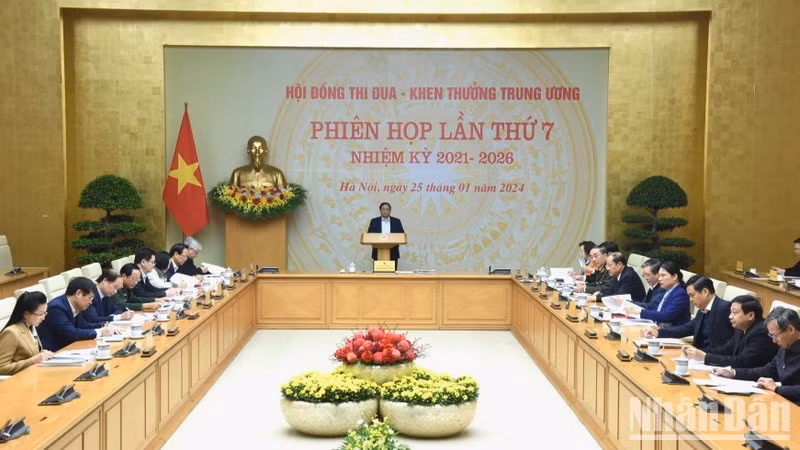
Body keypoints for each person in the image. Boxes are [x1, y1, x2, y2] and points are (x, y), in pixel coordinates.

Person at [714, 307, 800, 405]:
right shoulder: (784, 348)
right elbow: (768, 371)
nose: (774, 341)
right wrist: (734, 373)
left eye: (775, 336)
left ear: (791, 329)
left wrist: (777, 389)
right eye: (771, 336)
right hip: (785, 402)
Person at [683, 295, 778, 368]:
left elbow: (742, 362)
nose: (730, 316)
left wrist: (705, 357)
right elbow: (725, 350)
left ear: (751, 315)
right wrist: (697, 352)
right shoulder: (739, 328)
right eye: (731, 312)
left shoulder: (761, 332)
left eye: (735, 313)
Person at [642, 275, 733, 350]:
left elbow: (723, 346)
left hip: (712, 362)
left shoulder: (724, 309)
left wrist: (703, 356)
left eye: (692, 295)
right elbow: (686, 328)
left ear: (705, 292)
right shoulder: (703, 309)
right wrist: (658, 333)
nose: (690, 300)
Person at [36, 277, 114, 351]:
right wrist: (100, 332)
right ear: (78, 293)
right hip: (55, 353)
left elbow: (83, 325)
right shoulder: (56, 308)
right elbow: (71, 333)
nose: (90, 302)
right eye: (90, 298)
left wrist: (104, 325)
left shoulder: (74, 305)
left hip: (70, 348)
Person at [0, 292, 54, 375]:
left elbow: (32, 352)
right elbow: (1, 367)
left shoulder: (31, 327)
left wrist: (44, 354)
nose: (43, 318)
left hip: (34, 374)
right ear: (26, 314)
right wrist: (33, 360)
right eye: (40, 314)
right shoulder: (11, 333)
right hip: (18, 381)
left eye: (44, 313)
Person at [626, 261, 690, 327]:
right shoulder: (669, 290)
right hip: (658, 327)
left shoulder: (681, 294)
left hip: (672, 333)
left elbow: (668, 316)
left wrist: (640, 312)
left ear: (675, 276)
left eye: (663, 275)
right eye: (659, 276)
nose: (659, 279)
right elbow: (656, 310)